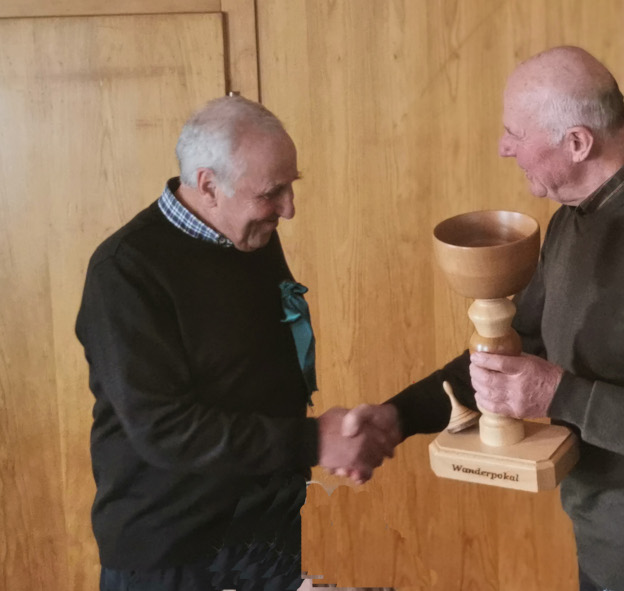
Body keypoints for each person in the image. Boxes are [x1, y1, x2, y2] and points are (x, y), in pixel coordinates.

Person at [347, 46, 624, 591]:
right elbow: (519, 347)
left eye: (515, 133)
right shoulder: (574, 217)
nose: (504, 147)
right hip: (604, 531)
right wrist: (398, 416)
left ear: (578, 143)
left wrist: (558, 395)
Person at [75, 95, 398, 591]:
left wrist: (334, 440)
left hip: (265, 534)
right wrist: (314, 440)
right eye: (272, 193)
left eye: (291, 186)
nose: (289, 208)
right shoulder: (123, 271)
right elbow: (164, 429)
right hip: (172, 556)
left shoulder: (251, 236)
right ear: (208, 186)